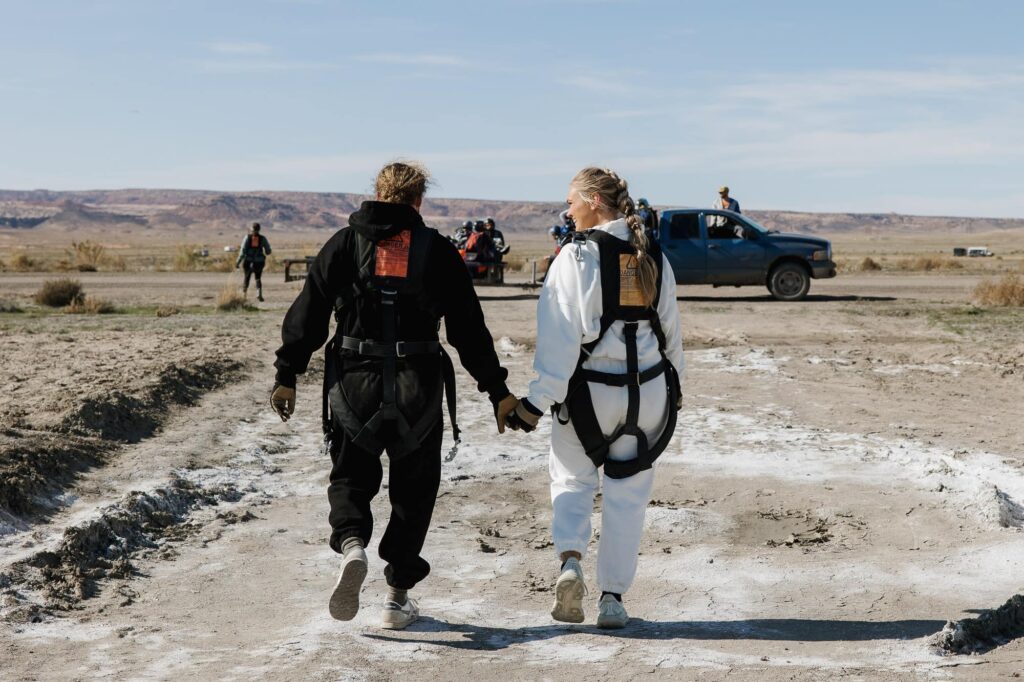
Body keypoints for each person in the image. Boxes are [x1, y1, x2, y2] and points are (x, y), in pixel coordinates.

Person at [271, 161, 518, 630]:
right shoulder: (437, 251)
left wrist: (287, 373)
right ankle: (396, 597)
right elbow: (468, 330)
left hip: (353, 384)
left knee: (350, 477)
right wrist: (498, 391)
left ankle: (353, 545)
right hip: (417, 387)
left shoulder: (344, 244)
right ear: (418, 200)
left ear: (378, 193)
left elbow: (310, 311)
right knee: (414, 490)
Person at [504, 167, 684, 629]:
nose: (567, 211)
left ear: (594, 201)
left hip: (590, 395)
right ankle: (613, 599)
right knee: (628, 496)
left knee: (571, 480)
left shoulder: (575, 257)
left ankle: (570, 564)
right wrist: (675, 395)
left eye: (571, 201)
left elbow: (559, 343)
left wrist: (534, 404)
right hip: (650, 395)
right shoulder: (654, 254)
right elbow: (670, 333)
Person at [235, 222, 272, 301]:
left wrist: (238, 262)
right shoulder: (262, 238)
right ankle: (259, 293)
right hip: (259, 262)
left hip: (248, 261)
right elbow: (268, 251)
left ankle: (244, 296)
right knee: (258, 277)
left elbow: (242, 252)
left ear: (251, 229)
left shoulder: (247, 238)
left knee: (246, 277)